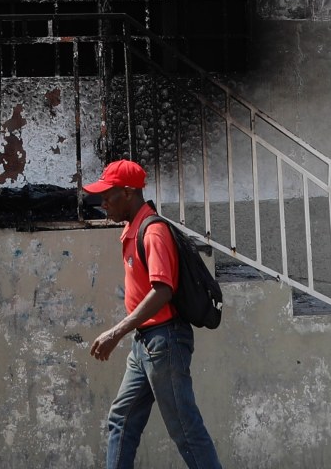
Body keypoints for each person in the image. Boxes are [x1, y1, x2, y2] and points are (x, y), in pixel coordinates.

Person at [84, 159, 223, 469]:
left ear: (130, 193)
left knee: (185, 429)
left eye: (109, 194)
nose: (103, 202)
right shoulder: (133, 228)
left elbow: (163, 291)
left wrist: (115, 332)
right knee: (122, 418)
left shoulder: (153, 231)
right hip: (145, 343)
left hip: (165, 342)